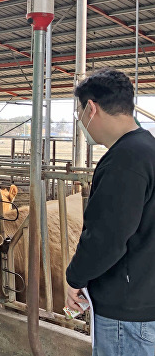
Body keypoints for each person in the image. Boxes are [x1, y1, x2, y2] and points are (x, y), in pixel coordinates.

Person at [65, 68, 155, 356]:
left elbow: (108, 237)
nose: (82, 123)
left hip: (126, 311)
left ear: (91, 108)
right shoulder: (148, 149)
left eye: (80, 115)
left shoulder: (125, 160)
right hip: (145, 294)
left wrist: (75, 278)